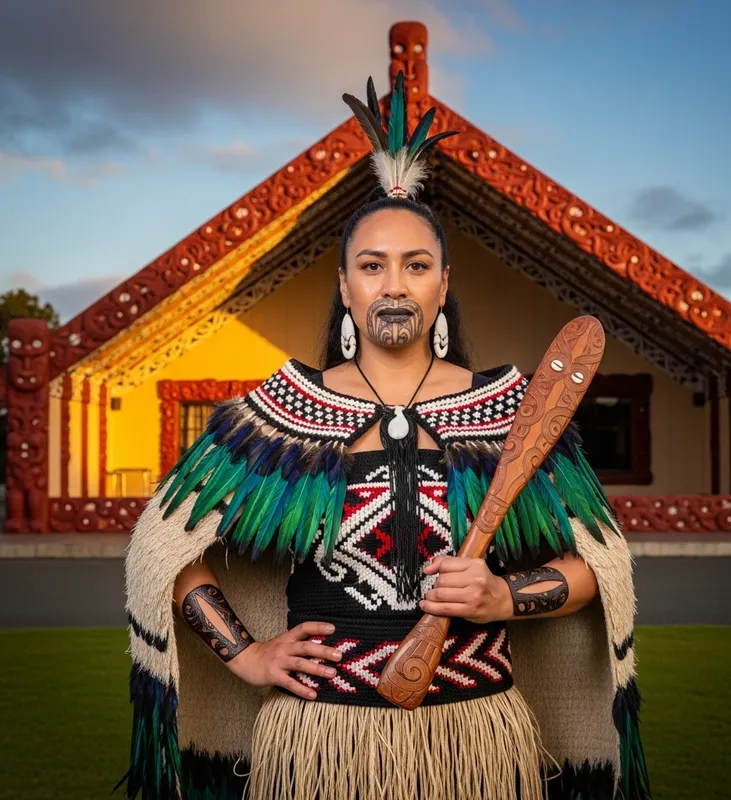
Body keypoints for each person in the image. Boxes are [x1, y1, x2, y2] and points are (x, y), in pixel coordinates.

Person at [117, 74, 649, 800]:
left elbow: (598, 565)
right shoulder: (276, 416)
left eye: (415, 266)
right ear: (344, 286)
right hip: (318, 747)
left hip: (477, 743)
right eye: (372, 266)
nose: (393, 284)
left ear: (442, 285)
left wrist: (502, 597)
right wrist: (249, 655)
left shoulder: (513, 409)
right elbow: (163, 547)